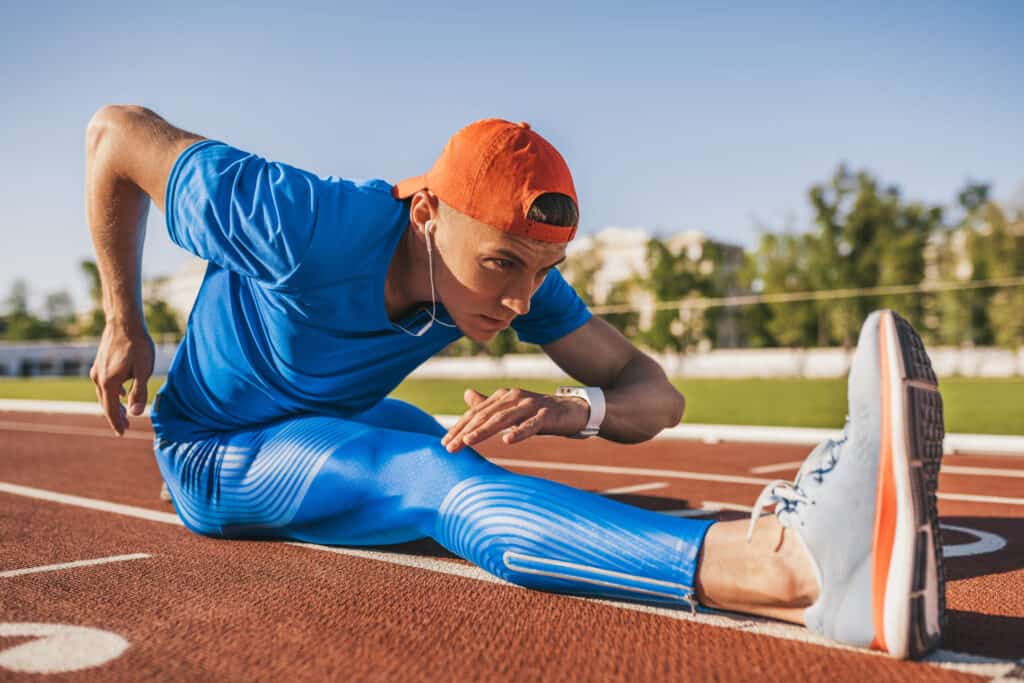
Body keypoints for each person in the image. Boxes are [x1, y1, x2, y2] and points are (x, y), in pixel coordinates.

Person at [85, 107, 946, 659]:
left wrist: (577, 410)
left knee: (432, 438)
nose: (521, 298)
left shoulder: (522, 279)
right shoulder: (295, 218)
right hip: (214, 447)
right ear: (425, 214)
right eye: (500, 265)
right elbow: (115, 135)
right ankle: (791, 573)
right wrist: (124, 317)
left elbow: (656, 394)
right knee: (434, 475)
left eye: (545, 270)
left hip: (322, 417)